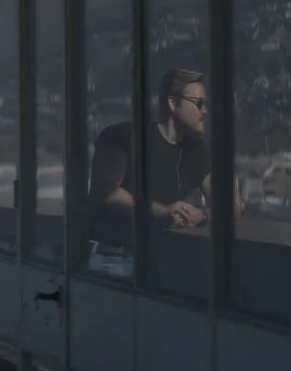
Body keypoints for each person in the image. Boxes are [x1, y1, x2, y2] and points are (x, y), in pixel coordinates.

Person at [87, 68, 241, 275]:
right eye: (198, 103)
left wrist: (201, 215)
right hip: (111, 258)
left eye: (206, 105)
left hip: (156, 262)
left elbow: (232, 205)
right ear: (172, 103)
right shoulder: (124, 136)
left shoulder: (197, 150)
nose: (204, 111)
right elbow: (108, 193)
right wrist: (165, 211)